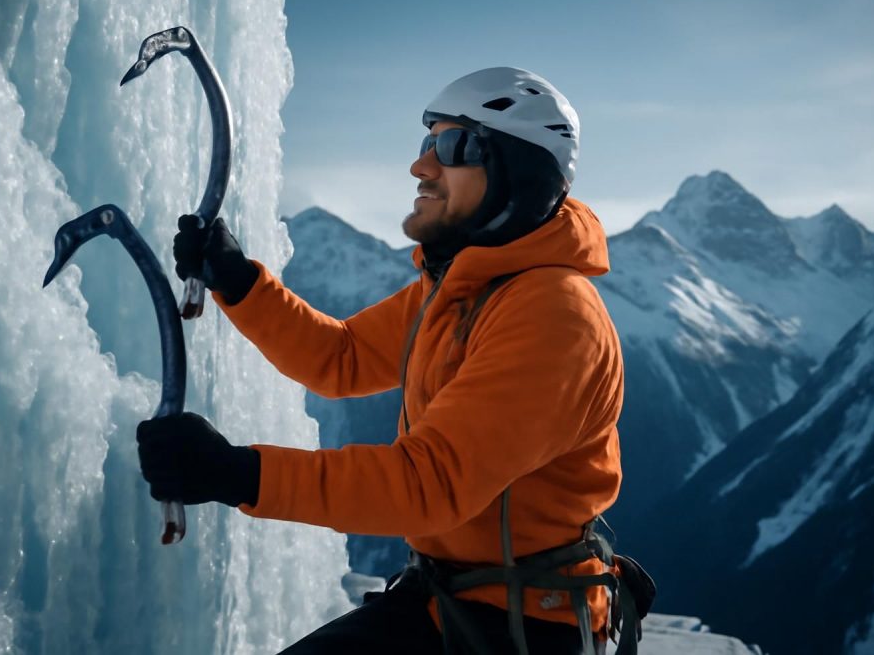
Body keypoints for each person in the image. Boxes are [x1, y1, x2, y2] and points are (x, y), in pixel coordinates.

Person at [137, 68, 649, 654]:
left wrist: (236, 473)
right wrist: (238, 282)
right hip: (453, 603)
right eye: (426, 144)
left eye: (452, 147)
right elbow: (342, 359)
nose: (421, 166)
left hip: (522, 631)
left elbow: (428, 483)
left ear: (518, 173)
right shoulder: (462, 286)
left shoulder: (553, 314)